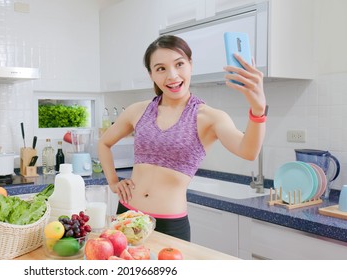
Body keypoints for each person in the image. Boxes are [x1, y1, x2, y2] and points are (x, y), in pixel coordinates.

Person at [98, 35, 266, 242]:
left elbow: (248, 151)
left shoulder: (209, 117)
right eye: (161, 68)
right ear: (151, 74)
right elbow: (104, 143)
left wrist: (258, 111)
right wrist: (114, 182)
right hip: (127, 214)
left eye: (179, 64)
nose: (172, 75)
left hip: (169, 224)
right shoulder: (138, 110)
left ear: (190, 65)